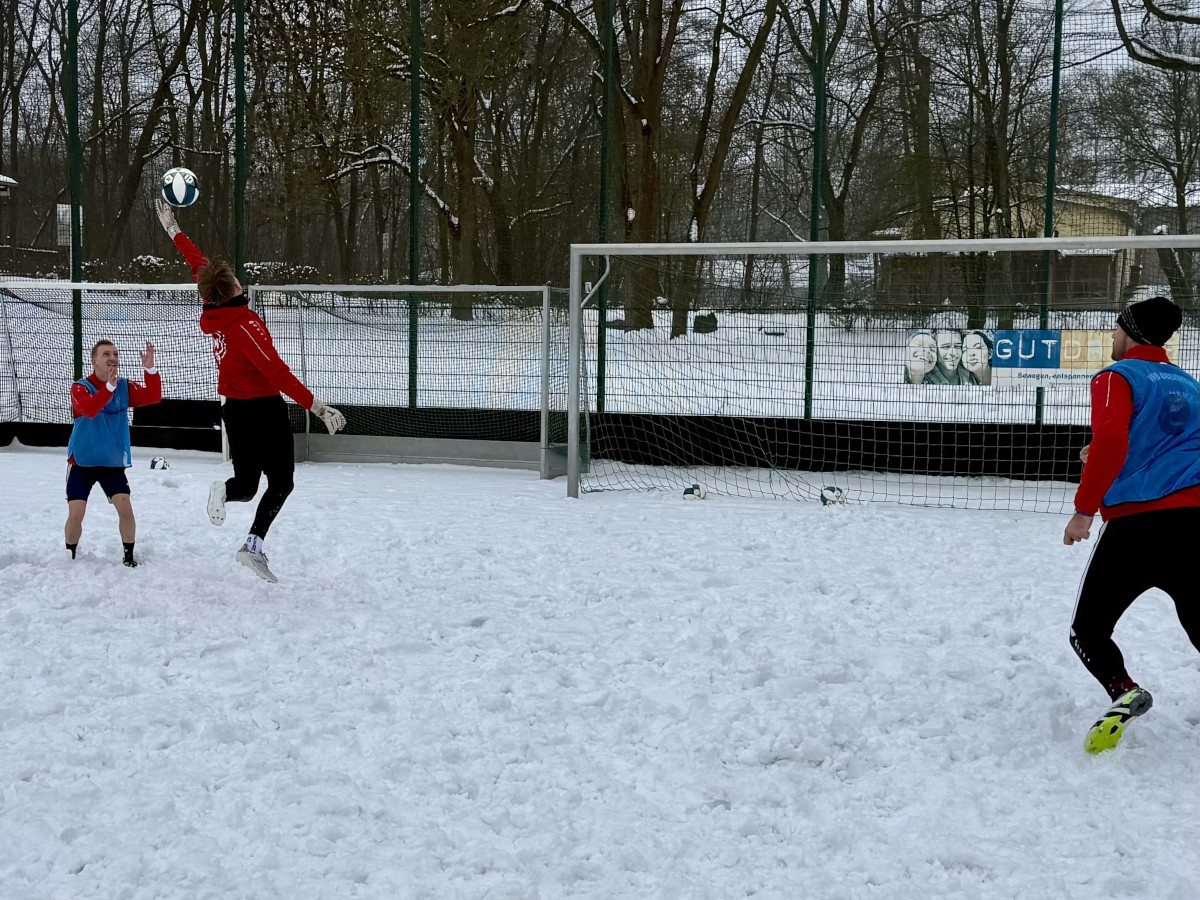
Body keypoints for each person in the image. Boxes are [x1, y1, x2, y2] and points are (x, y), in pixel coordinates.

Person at [155, 198, 346, 583]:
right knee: (282, 482)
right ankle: (253, 546)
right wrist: (318, 407)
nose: (240, 279)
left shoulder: (214, 306)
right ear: (233, 291)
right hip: (261, 410)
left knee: (245, 486)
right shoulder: (243, 325)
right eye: (237, 280)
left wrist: (174, 230)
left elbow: (198, 264)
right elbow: (276, 373)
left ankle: (222, 495)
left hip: (233, 410)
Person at [1063, 295, 1199, 754]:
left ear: (1132, 332)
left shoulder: (1115, 377)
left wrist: (1084, 511)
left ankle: (1124, 690)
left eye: (1117, 327)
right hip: (1193, 523)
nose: (1113, 336)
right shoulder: (1188, 383)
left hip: (1138, 529)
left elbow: (1113, 441)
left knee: (1087, 631)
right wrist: (1107, 453)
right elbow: (1164, 446)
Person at [65, 339, 162, 567]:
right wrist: (108, 388)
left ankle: (129, 557)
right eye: (106, 354)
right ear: (94, 361)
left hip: (111, 464)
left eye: (115, 355)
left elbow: (153, 396)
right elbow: (89, 409)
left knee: (125, 508)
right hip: (82, 463)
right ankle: (69, 554)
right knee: (76, 514)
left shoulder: (124, 387)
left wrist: (150, 368)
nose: (112, 359)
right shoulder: (80, 387)